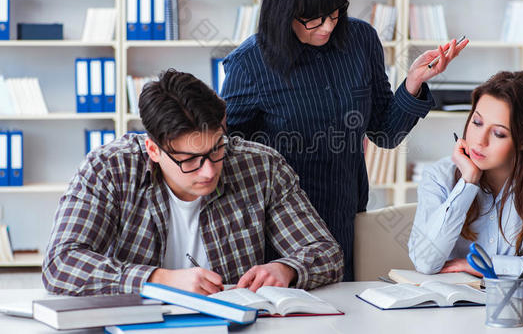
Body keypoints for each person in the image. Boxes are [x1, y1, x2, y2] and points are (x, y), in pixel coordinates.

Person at [221, 0, 468, 281]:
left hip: (345, 220)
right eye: (313, 19)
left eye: (334, 14)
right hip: (278, 235)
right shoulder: (249, 64)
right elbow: (226, 155)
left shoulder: (360, 40)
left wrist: (413, 82)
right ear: (283, 13)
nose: (326, 27)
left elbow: (385, 132)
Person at [42, 69, 343, 296]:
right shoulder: (108, 169)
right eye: (189, 160)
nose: (209, 171)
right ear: (153, 150)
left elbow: (327, 252)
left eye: (216, 149)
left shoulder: (262, 166)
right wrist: (160, 279)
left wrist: (286, 268)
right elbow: (60, 264)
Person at [408, 71, 523, 283]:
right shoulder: (439, 176)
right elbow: (424, 261)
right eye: (477, 123)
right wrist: (468, 182)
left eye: (498, 133)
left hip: (516, 306)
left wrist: (489, 265)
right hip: (452, 306)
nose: (479, 141)